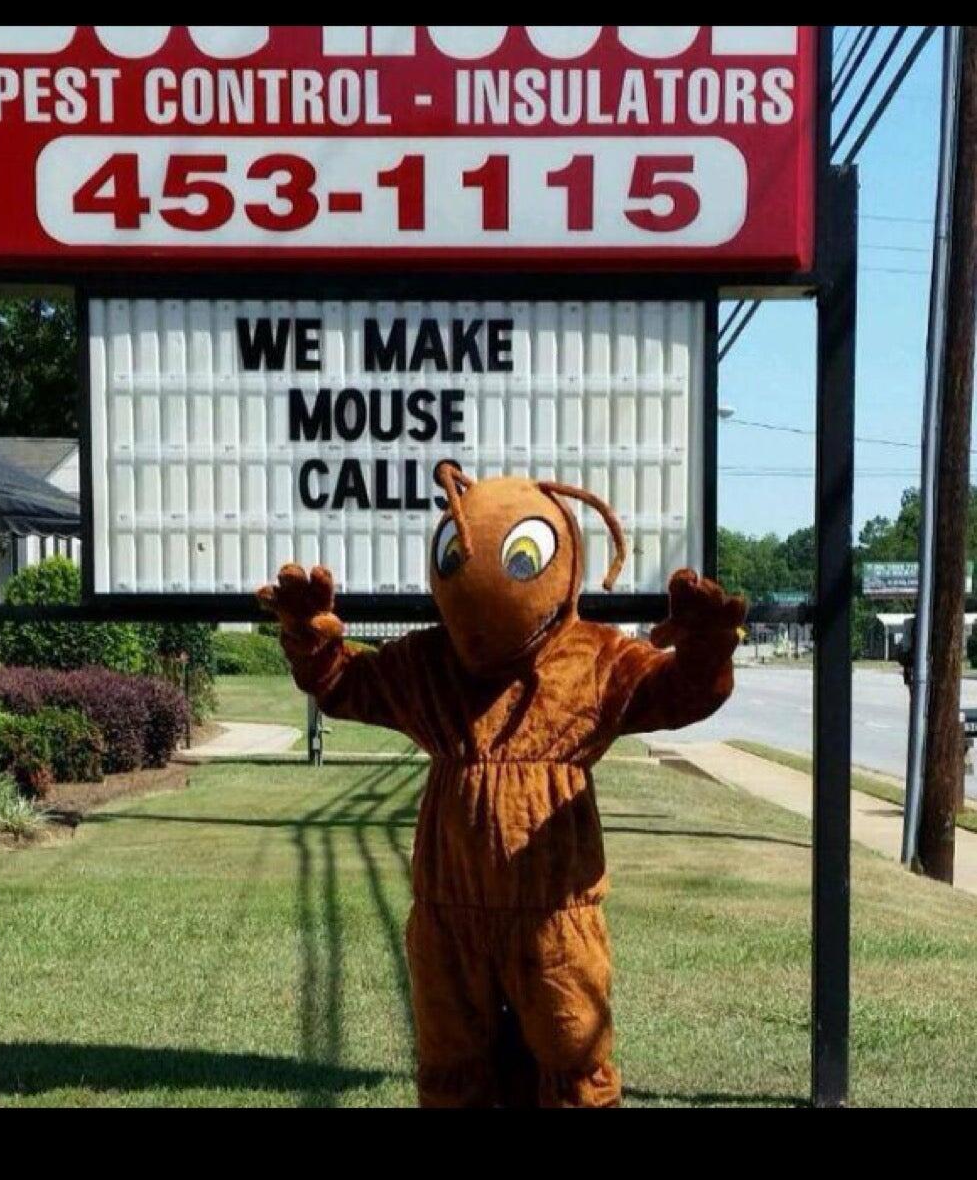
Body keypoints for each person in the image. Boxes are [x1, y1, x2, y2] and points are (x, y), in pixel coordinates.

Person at [259, 463, 745, 1109]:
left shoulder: (592, 659)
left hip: (554, 918)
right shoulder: (430, 664)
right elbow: (348, 686)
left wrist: (706, 650)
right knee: (451, 1068)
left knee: (573, 1061)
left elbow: (677, 692)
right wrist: (308, 640)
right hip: (447, 920)